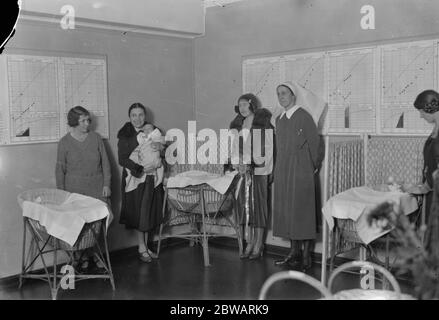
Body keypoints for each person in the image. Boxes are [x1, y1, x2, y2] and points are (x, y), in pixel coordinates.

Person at [272, 82, 325, 272]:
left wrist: (312, 166)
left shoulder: (304, 116)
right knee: (289, 212)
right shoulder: (279, 119)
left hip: (301, 169)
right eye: (278, 94)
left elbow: (316, 144)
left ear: (293, 96)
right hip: (284, 169)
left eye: (284, 93)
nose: (281, 97)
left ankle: (306, 257)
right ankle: (293, 253)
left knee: (303, 212)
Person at [55, 105, 112, 271]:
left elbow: (106, 164)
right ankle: (83, 256)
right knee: (79, 227)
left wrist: (107, 184)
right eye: (83, 121)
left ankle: (97, 255)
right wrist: (62, 194)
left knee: (98, 225)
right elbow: (60, 170)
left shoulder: (96, 138)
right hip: (75, 192)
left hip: (97, 188)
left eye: (88, 120)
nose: (87, 123)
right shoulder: (64, 143)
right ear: (74, 122)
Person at [227, 93, 274, 260]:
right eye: (240, 105)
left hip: (259, 171)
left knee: (258, 207)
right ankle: (249, 242)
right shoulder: (237, 125)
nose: (242, 108)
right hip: (242, 172)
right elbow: (234, 148)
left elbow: (269, 149)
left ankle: (258, 243)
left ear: (252, 105)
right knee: (245, 207)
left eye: (245, 104)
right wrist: (237, 163)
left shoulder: (263, 124)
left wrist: (255, 163)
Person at [117, 103, 164, 263]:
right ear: (129, 117)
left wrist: (161, 148)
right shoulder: (125, 134)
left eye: (141, 115)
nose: (138, 119)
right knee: (139, 212)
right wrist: (140, 168)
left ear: (145, 116)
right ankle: (141, 246)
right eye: (134, 115)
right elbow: (122, 159)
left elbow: (162, 151)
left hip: (151, 176)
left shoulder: (153, 131)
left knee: (148, 211)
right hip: (135, 177)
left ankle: (145, 246)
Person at [413, 89, 439, 249]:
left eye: (422, 112)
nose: (421, 116)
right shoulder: (435, 129)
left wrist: (424, 188)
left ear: (430, 109)